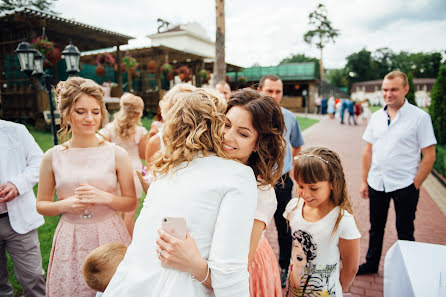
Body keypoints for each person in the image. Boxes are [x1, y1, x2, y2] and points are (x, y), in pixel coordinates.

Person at [103, 89, 258, 297]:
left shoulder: (165, 172)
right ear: (216, 125)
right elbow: (230, 271)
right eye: (226, 124)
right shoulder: (237, 176)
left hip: (134, 284)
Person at [155, 89, 286, 297]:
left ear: (259, 144)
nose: (227, 136)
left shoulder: (260, 192)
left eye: (243, 134)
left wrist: (192, 264)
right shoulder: (202, 164)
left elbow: (233, 274)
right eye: (225, 124)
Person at [36, 77, 137, 297]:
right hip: (70, 237)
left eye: (95, 111)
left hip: (109, 234)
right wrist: (65, 204)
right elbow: (42, 205)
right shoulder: (51, 157)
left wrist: (106, 198)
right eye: (80, 111)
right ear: (65, 113)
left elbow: (131, 202)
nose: (90, 118)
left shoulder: (116, 154)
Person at [358, 70, 437, 275]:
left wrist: (416, 184)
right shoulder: (376, 117)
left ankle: (407, 269)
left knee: (405, 231)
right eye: (385, 89)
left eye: (394, 89)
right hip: (377, 182)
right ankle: (371, 263)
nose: (388, 94)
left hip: (405, 185)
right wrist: (364, 181)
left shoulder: (420, 118)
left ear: (405, 89)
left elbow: (429, 155)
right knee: (375, 228)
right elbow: (368, 151)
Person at [284, 146, 361, 297]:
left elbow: (351, 268)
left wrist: (338, 288)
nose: (305, 194)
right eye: (300, 186)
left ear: (332, 183)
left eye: (314, 188)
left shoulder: (343, 221)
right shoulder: (293, 208)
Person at [257, 74, 304, 287]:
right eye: (270, 91)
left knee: (284, 227)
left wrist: (292, 169)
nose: (274, 96)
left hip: (283, 181)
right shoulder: (252, 116)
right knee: (253, 225)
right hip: (256, 180)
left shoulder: (290, 118)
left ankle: (285, 266)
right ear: (260, 91)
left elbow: (297, 145)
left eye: (278, 91)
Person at [0, 120, 46, 297]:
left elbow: (39, 162)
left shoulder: (16, 131)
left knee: (33, 277)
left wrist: (17, 185)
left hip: (18, 219)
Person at [99, 93, 148, 236]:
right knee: (130, 214)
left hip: (114, 173)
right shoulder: (140, 131)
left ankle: (115, 244)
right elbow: (143, 154)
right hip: (133, 172)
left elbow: (99, 146)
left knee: (117, 213)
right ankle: (127, 247)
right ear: (138, 112)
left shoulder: (109, 129)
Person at [145, 83, 196, 162]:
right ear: (168, 109)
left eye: (189, 109)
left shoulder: (206, 140)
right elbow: (150, 173)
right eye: (177, 109)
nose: (184, 115)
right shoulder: (156, 142)